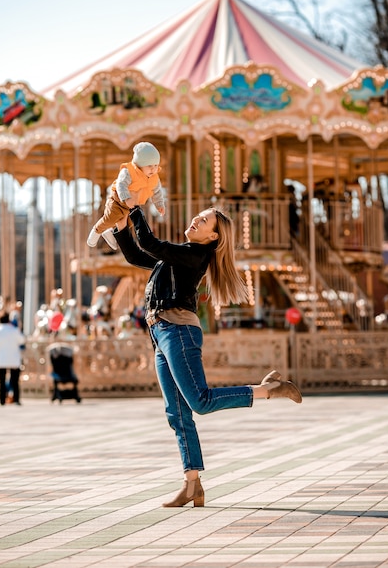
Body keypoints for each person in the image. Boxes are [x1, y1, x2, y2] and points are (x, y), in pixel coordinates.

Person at [114, 205, 302, 508]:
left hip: (178, 332)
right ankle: (192, 485)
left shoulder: (195, 255)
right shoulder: (176, 257)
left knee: (199, 401)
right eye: (197, 216)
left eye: (204, 221)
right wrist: (120, 226)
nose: (195, 220)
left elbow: (150, 243)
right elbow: (137, 256)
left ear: (213, 236)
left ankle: (269, 390)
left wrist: (135, 211)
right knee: (176, 413)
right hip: (160, 334)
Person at [87, 141, 165, 250]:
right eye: (149, 165)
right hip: (118, 200)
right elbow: (121, 184)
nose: (153, 169)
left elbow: (157, 192)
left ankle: (110, 232)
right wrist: (126, 197)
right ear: (139, 164)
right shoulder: (129, 171)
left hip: (132, 204)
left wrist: (159, 204)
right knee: (110, 218)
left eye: (156, 165)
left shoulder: (154, 178)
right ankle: (96, 230)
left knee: (129, 223)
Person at [0, 311, 25, 406]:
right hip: (13, 358)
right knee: (15, 380)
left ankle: (2, 400)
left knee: (1, 381)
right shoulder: (14, 330)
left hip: (0, 358)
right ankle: (16, 399)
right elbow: (22, 340)